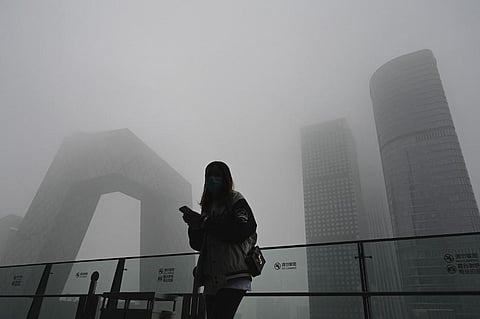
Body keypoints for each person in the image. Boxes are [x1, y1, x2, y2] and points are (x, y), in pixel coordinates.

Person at [180, 161, 257, 319]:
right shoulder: (207, 208)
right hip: (212, 280)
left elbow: (242, 229)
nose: (212, 179)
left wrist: (204, 223)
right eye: (209, 175)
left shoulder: (235, 199)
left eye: (217, 175)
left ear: (226, 178)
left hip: (234, 276)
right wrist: (194, 226)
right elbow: (198, 244)